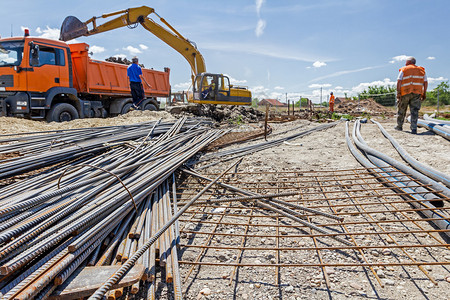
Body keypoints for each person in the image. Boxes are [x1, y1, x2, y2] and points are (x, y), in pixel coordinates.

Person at [395, 56, 427, 134]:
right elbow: (425, 82)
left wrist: (398, 93)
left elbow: (399, 81)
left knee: (402, 110)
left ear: (408, 62)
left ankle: (399, 126)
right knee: (414, 111)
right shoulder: (421, 70)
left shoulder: (404, 69)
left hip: (405, 93)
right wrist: (424, 93)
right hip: (417, 93)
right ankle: (414, 128)